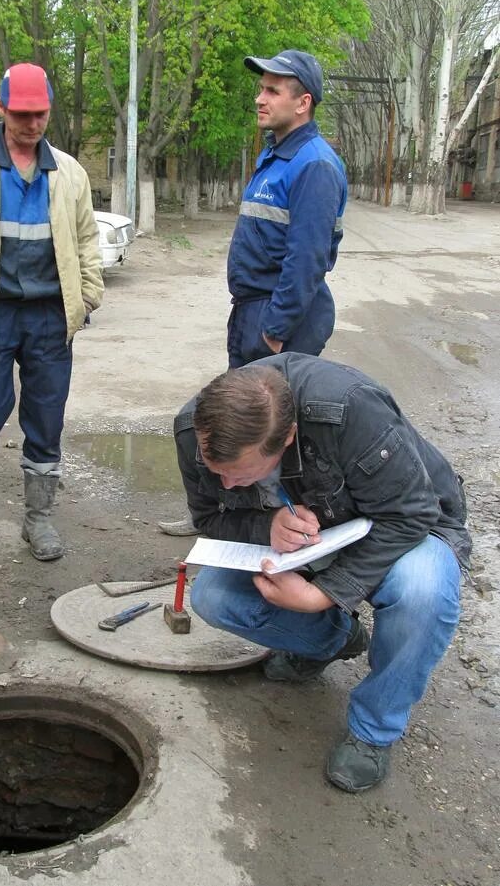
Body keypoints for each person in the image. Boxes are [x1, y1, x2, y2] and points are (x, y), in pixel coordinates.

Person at [174, 354, 470, 792]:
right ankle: (331, 642)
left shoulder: (348, 410)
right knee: (214, 596)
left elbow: (411, 514)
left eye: (242, 473)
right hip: (306, 540)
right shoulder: (193, 428)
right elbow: (209, 518)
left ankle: (374, 729)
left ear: (288, 437)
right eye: (218, 472)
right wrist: (265, 524)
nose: (229, 485)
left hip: (402, 525)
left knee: (422, 592)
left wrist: (323, 594)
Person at [158, 48, 348, 538]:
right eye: (261, 88)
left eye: (272, 90)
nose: (259, 98)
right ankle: (233, 515)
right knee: (239, 424)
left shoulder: (314, 165)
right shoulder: (277, 154)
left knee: (271, 429)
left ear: (303, 102)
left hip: (279, 317)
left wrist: (275, 332)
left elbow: (306, 261)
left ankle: (287, 527)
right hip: (254, 311)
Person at [0, 62, 103, 561]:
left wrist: (89, 294)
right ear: (0, 109)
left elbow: (85, 239)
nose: (32, 124)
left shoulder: (69, 172)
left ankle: (38, 518)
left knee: (46, 416)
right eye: (21, 114)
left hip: (51, 317)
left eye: (39, 114)